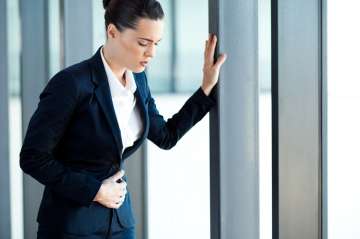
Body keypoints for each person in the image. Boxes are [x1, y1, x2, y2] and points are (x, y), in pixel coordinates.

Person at [19, 0, 227, 238]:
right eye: (143, 43)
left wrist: (206, 88)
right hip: (71, 224)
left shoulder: (138, 80)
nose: (152, 53)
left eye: (156, 44)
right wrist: (95, 190)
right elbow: (33, 157)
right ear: (112, 32)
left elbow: (166, 136)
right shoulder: (71, 83)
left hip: (120, 223)